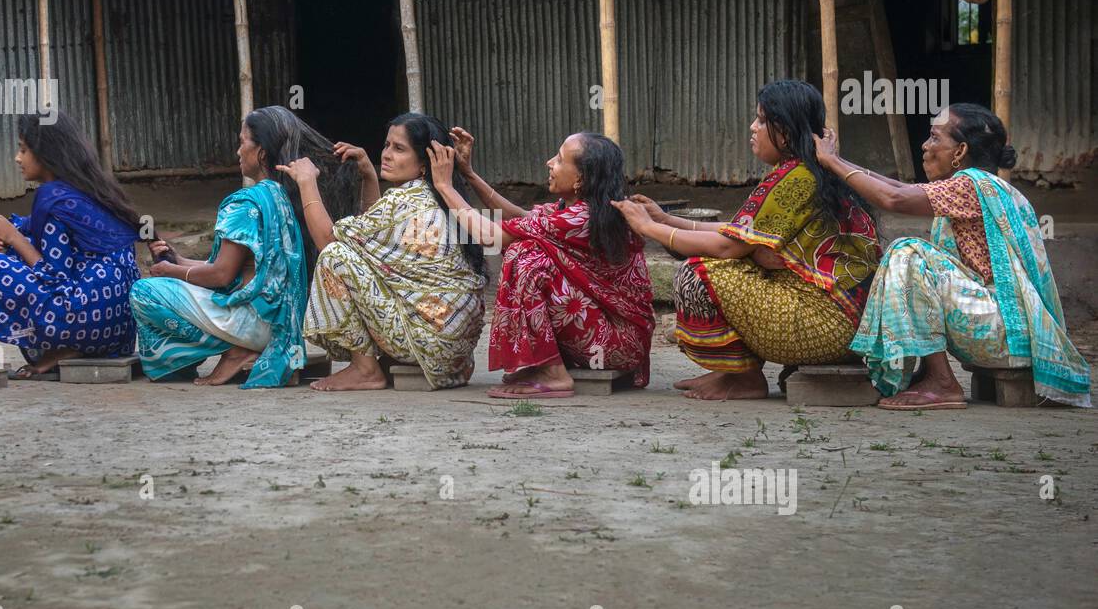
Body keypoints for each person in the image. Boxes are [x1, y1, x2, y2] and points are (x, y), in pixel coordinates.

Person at [613, 79, 879, 400]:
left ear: (784, 129)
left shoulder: (796, 178)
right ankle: (734, 372)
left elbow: (728, 245)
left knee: (697, 272)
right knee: (739, 261)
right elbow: (739, 231)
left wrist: (647, 228)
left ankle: (743, 378)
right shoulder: (804, 171)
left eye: (762, 120)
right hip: (841, 325)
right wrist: (666, 220)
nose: (753, 128)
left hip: (824, 326)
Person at [816, 102, 1090, 409]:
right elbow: (897, 186)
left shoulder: (970, 185)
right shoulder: (988, 187)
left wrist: (830, 162)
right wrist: (836, 160)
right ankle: (930, 372)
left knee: (907, 254)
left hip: (1002, 334)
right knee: (915, 257)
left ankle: (942, 381)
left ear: (959, 151)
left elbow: (893, 198)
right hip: (1013, 333)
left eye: (934, 138)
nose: (924, 145)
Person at [129, 106, 358, 387]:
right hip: (280, 327)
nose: (238, 152)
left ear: (261, 152)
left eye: (242, 142)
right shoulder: (286, 197)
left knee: (143, 292)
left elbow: (222, 275)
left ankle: (234, 350)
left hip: (251, 325)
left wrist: (170, 272)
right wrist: (179, 260)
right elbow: (239, 269)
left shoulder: (244, 202)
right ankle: (236, 348)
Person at [427, 128, 654, 398]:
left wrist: (444, 186)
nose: (549, 163)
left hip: (613, 345)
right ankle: (549, 366)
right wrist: (469, 174)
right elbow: (523, 217)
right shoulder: (583, 209)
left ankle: (553, 375)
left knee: (524, 255)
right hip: (620, 341)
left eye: (558, 160)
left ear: (580, 178)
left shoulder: (580, 218)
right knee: (526, 247)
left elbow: (491, 236)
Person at [279, 112, 488, 391]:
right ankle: (378, 362)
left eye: (399, 149)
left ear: (424, 163)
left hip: (427, 342)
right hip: (453, 356)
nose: (387, 154)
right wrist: (368, 174)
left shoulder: (403, 200)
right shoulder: (442, 198)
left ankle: (365, 370)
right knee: (357, 258)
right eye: (387, 145)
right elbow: (370, 245)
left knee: (334, 257)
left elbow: (328, 240)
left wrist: (306, 182)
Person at [0, 112, 142, 377]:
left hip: (79, 319)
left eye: (23, 150)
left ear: (47, 154)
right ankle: (76, 348)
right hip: (118, 329)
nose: (17, 158)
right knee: (22, 244)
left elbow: (55, 279)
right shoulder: (91, 188)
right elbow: (29, 225)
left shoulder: (53, 199)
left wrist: (12, 238)